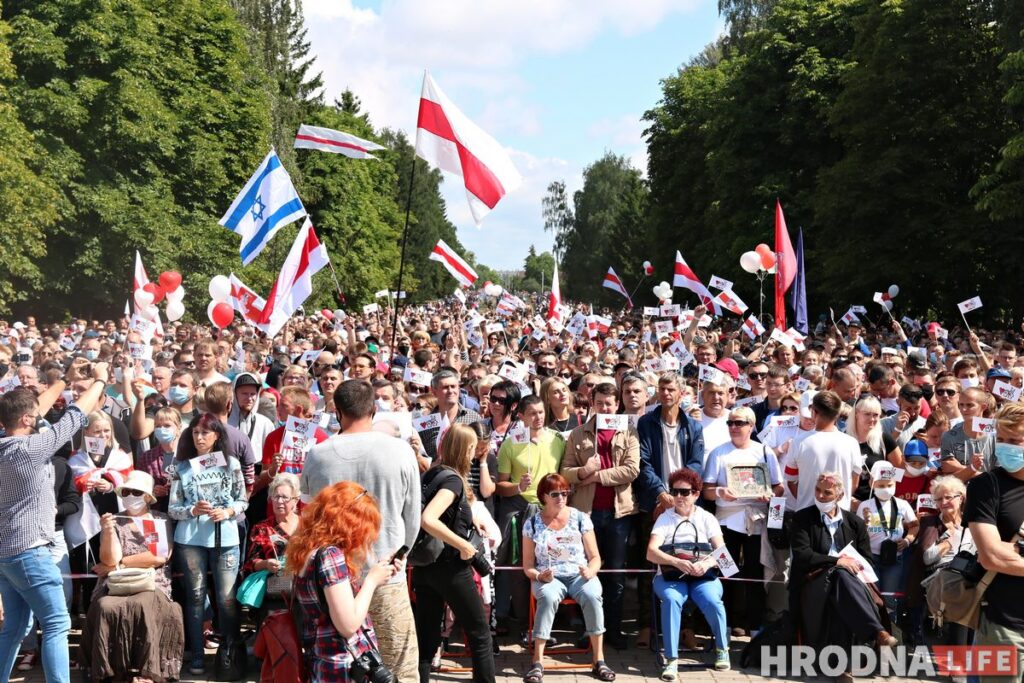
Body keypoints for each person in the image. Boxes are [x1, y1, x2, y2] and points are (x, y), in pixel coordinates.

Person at [301, 380, 421, 683]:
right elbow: (413, 517)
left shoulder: (317, 455)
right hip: (382, 572)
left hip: (337, 581)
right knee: (399, 669)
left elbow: (308, 518)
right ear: (374, 409)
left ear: (338, 412)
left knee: (350, 668)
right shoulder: (400, 451)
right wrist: (400, 555)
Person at [0, 364, 107, 683]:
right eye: (34, 416)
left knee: (16, 628)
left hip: (7, 555)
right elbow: (75, 415)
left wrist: (65, 377)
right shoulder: (30, 449)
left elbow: (31, 410)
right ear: (27, 421)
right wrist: (100, 379)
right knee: (58, 622)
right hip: (31, 552)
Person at [287, 481, 404, 683]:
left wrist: (379, 573)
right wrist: (371, 581)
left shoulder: (309, 551)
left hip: (322, 662)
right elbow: (347, 624)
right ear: (351, 524)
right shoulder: (331, 555)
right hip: (340, 667)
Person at [790, 472, 896, 682]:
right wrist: (836, 561)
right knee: (839, 575)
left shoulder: (854, 522)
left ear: (839, 495)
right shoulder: (802, 518)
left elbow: (867, 558)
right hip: (812, 580)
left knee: (840, 594)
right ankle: (877, 632)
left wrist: (850, 562)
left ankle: (841, 669)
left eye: (827, 492)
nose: (820, 496)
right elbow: (803, 555)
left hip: (847, 583)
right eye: (818, 490)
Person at [80, 471, 184, 682]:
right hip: (117, 582)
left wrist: (118, 564)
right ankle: (112, 669)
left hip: (152, 580)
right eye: (126, 491)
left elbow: (160, 557)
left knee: (144, 603)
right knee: (105, 606)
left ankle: (147, 670)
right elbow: (109, 559)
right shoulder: (115, 520)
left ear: (147, 496)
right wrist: (108, 532)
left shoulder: (159, 519)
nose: (129, 495)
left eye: (136, 492)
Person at [413, 424, 496, 683]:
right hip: (450, 568)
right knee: (480, 635)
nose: (474, 454)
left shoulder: (432, 473)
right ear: (465, 449)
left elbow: (443, 513)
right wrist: (464, 545)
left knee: (427, 640)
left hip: (424, 569)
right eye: (472, 448)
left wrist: (471, 522)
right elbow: (429, 518)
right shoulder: (451, 479)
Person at [559, 382, 639, 649]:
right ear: (592, 403)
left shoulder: (628, 432)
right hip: (585, 514)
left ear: (617, 405)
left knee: (615, 574)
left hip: (618, 513)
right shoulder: (578, 433)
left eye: (610, 403)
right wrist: (582, 471)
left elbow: (631, 470)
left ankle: (613, 630)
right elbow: (566, 470)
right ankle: (588, 630)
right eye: (600, 402)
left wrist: (596, 476)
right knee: (586, 573)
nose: (605, 407)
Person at [168, 413, 248, 677]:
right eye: (195, 433)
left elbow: (242, 500)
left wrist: (227, 513)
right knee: (195, 597)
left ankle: (229, 655)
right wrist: (192, 510)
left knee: (226, 598)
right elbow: (173, 508)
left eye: (205, 433)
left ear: (216, 436)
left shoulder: (231, 464)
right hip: (190, 539)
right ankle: (198, 657)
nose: (200, 438)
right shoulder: (182, 468)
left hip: (224, 537)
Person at [522, 473, 612, 683]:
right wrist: (539, 575)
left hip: (579, 573)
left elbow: (596, 557)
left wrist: (591, 571)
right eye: (555, 494)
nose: (561, 498)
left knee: (592, 595)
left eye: (565, 493)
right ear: (544, 496)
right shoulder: (532, 523)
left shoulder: (580, 518)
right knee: (548, 597)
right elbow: (527, 566)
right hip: (548, 577)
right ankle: (537, 662)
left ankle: (599, 660)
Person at [702, 406, 783, 636]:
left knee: (755, 572)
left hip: (756, 523)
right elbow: (706, 490)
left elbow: (779, 486)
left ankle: (755, 624)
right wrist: (721, 492)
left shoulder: (765, 451)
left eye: (739, 423)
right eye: (730, 423)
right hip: (725, 524)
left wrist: (770, 494)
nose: (734, 427)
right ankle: (725, 623)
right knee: (726, 570)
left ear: (751, 426)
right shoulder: (719, 452)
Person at [646, 467, 730, 678]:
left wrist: (708, 563)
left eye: (684, 492)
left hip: (703, 575)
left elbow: (724, 554)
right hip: (670, 576)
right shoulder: (665, 518)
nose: (678, 497)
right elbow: (651, 552)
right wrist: (676, 562)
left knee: (712, 600)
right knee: (672, 600)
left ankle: (722, 649)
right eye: (674, 492)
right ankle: (672, 659)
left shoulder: (707, 518)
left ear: (696, 494)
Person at [964, 403, 1024, 682]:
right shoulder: (985, 486)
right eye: (1001, 439)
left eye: (1015, 440)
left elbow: (1005, 554)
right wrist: (1003, 553)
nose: (1006, 447)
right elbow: (991, 556)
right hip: (1004, 626)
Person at [907, 476, 972, 648]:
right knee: (960, 591)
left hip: (970, 573)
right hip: (940, 576)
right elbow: (927, 558)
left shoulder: (972, 523)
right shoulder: (931, 523)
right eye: (939, 499)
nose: (943, 502)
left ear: (961, 498)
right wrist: (949, 541)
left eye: (948, 497)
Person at [857, 460, 918, 616]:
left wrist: (907, 540)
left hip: (894, 558)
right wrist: (865, 523)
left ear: (895, 484)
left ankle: (890, 627)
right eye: (881, 485)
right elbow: (858, 532)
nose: (886, 489)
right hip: (871, 559)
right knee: (872, 596)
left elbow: (914, 525)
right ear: (872, 483)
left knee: (890, 596)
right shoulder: (864, 505)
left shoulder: (903, 504)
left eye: (889, 485)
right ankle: (874, 630)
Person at [789, 391, 864, 511]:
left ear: (813, 412)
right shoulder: (851, 443)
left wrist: (807, 500)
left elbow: (791, 481)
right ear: (838, 414)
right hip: (840, 514)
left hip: (805, 515)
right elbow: (854, 482)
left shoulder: (798, 442)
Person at [244, 473, 302, 626]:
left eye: (285, 497)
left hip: (303, 584)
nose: (279, 501)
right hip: (276, 585)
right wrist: (266, 564)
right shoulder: (262, 528)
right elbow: (250, 563)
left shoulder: (307, 527)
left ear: (295, 500)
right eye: (275, 497)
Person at [845, 396, 902, 504]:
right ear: (856, 413)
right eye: (867, 414)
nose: (872, 419)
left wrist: (880, 475)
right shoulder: (843, 439)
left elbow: (899, 472)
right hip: (850, 504)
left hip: (878, 504)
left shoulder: (884, 439)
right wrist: (850, 501)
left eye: (875, 415)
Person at [133, 407, 182, 512]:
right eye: (158, 426)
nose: (162, 429)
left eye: (167, 425)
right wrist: (152, 491)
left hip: (185, 512)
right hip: (158, 513)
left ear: (179, 427)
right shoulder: (147, 457)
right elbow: (137, 489)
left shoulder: (189, 454)